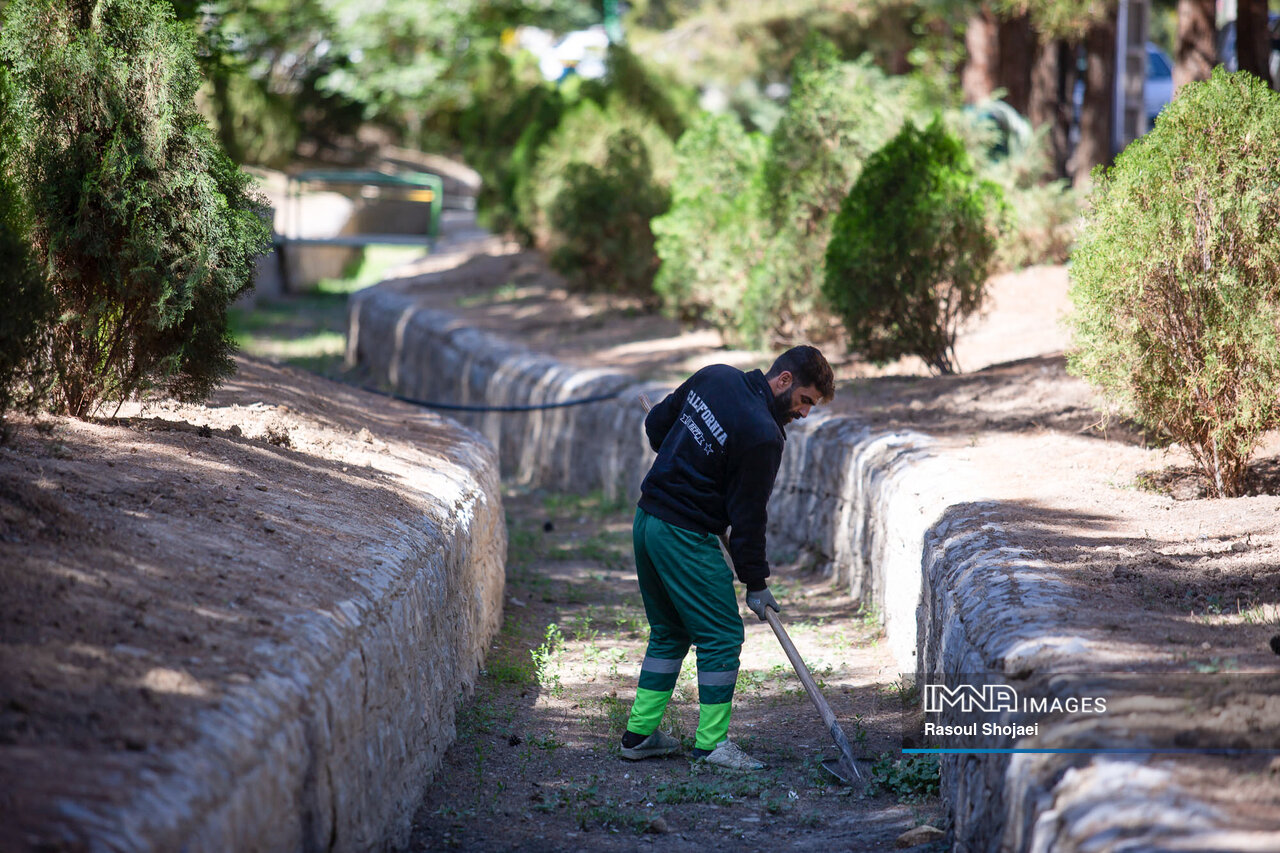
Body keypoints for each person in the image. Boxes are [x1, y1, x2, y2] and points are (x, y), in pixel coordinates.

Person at [619, 345, 835, 771]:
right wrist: (756, 583)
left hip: (647, 521)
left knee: (669, 632)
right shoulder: (764, 436)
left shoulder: (714, 376)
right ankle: (712, 744)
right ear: (784, 380)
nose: (805, 413)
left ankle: (639, 735)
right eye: (805, 400)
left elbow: (658, 427)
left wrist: (692, 454)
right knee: (721, 637)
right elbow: (749, 518)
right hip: (683, 534)